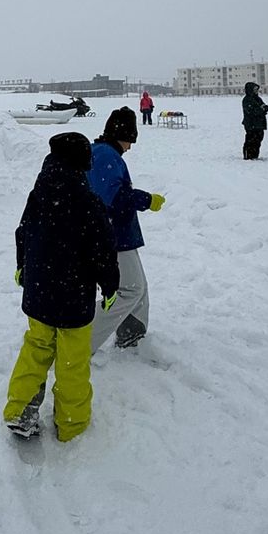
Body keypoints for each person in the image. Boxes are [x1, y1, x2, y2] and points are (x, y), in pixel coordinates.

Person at [3, 132, 120, 442]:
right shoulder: (87, 201)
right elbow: (103, 250)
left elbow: (23, 232)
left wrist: (22, 266)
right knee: (72, 362)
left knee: (36, 349)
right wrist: (110, 287)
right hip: (73, 297)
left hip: (39, 291)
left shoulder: (38, 193)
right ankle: (71, 422)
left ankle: (20, 408)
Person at [87, 105, 165, 351]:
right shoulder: (106, 155)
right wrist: (146, 200)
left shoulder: (101, 153)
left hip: (117, 234)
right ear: (123, 134)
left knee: (138, 286)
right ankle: (82, 342)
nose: (131, 146)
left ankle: (132, 334)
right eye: (130, 140)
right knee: (130, 290)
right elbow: (112, 197)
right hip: (112, 236)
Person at [242, 81, 268, 159]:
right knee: (250, 141)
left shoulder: (258, 98)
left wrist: (265, 108)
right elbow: (252, 111)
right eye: (255, 89)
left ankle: (255, 156)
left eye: (257, 89)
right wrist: (262, 110)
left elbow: (263, 106)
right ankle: (248, 156)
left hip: (259, 124)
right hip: (251, 124)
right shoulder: (247, 100)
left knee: (258, 140)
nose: (257, 91)